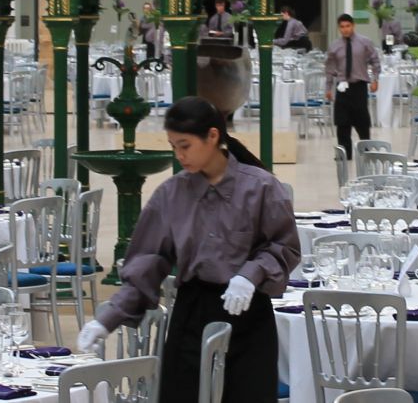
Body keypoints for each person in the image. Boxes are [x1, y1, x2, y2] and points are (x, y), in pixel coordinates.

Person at [77, 97, 299, 403]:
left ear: (212, 136)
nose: (179, 156)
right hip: (191, 314)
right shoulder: (172, 194)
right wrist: (108, 318)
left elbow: (284, 246)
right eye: (173, 147)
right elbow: (148, 263)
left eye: (185, 145)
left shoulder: (261, 187)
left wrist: (250, 275)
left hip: (248, 314)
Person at [325, 14, 381, 158]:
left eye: (348, 26)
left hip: (359, 86)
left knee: (362, 120)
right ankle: (345, 154)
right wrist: (328, 88)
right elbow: (330, 69)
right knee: (342, 122)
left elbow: (375, 61)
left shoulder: (365, 42)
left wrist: (375, 79)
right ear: (339, 28)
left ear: (353, 26)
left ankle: (366, 151)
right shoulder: (334, 46)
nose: (345, 29)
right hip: (342, 87)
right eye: (342, 27)